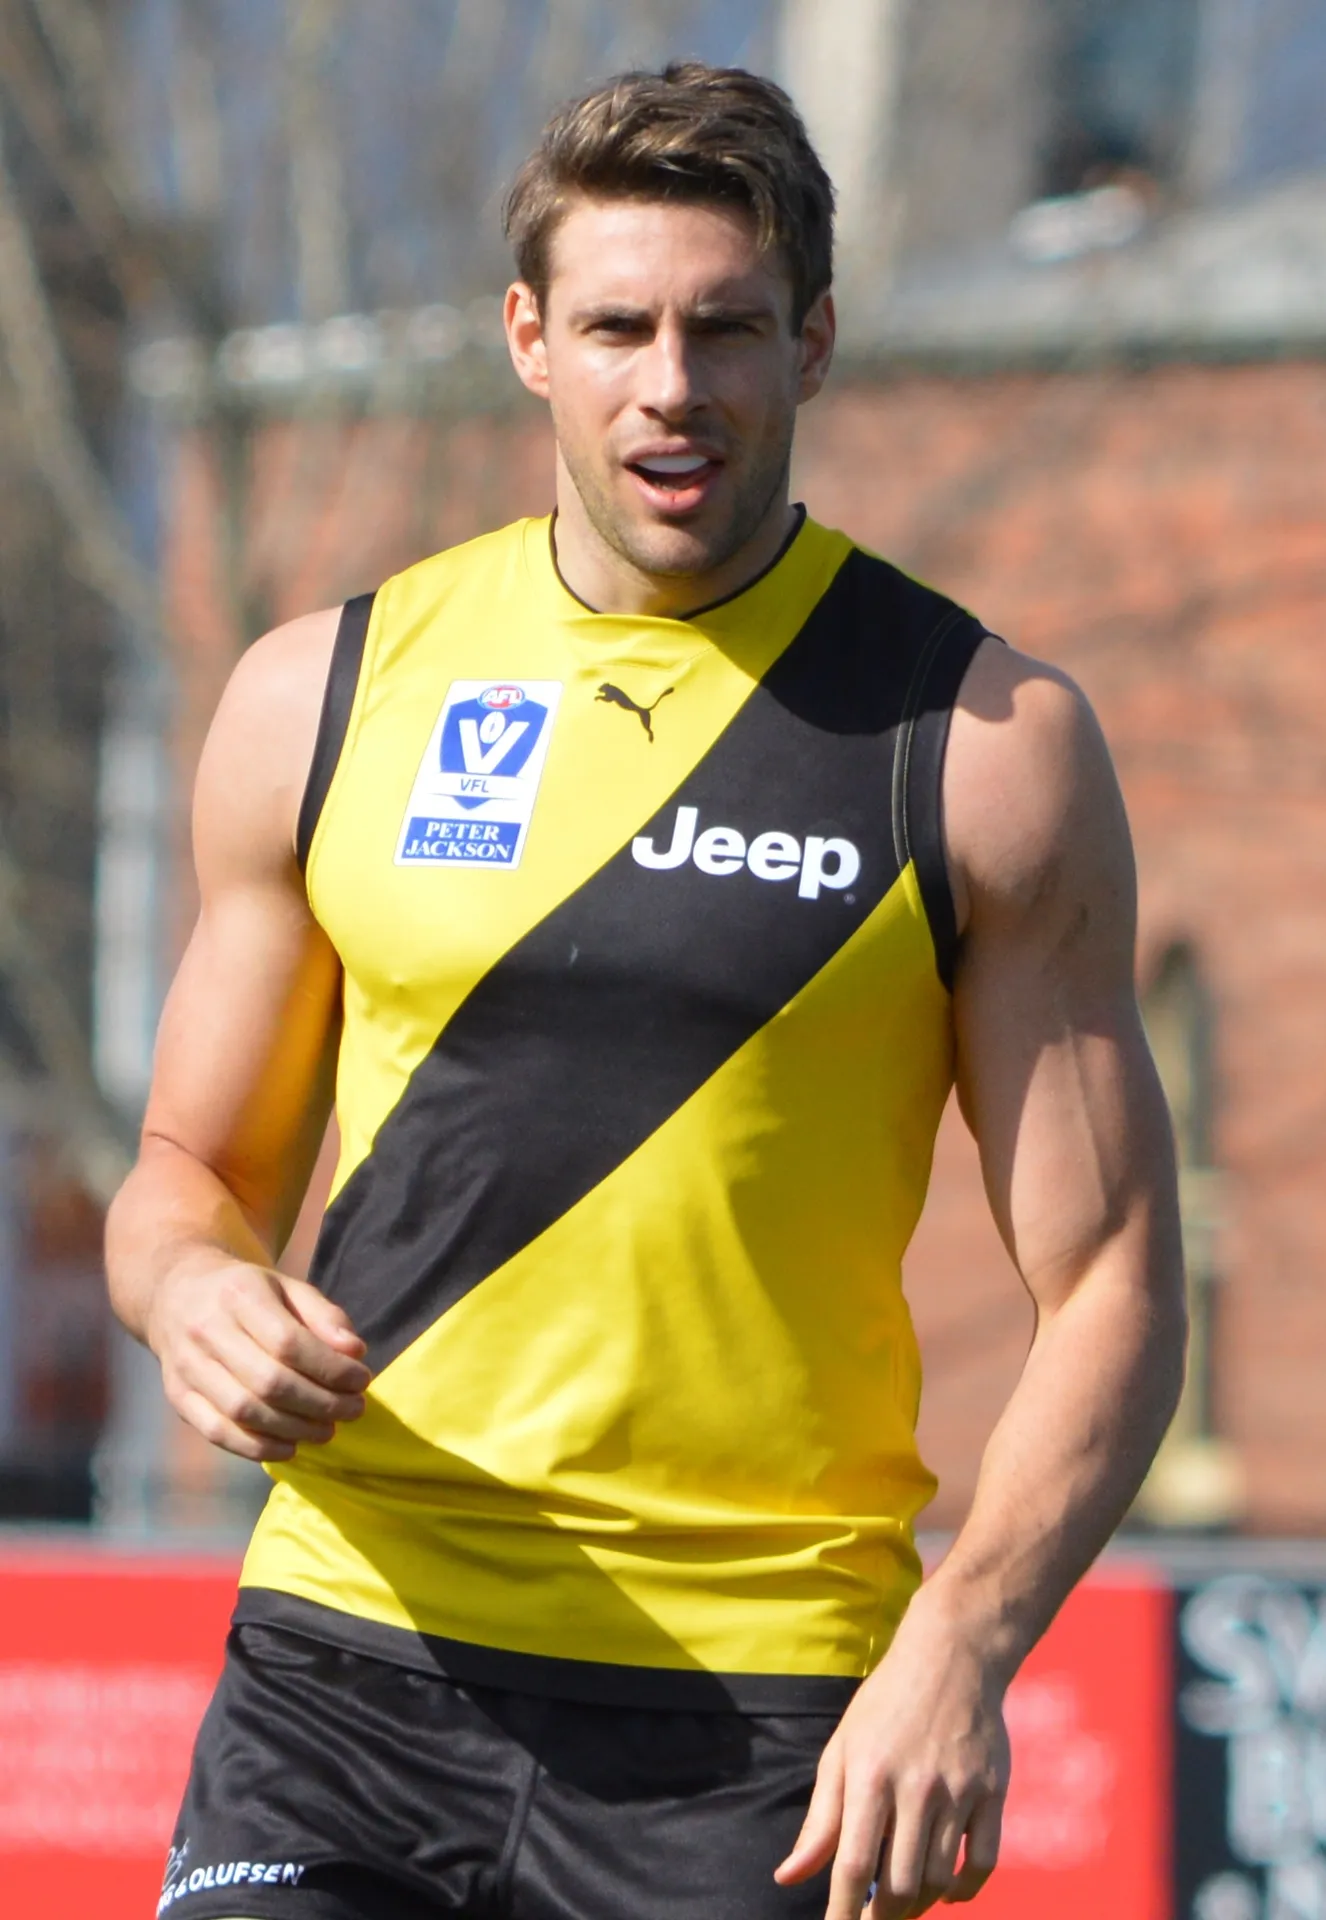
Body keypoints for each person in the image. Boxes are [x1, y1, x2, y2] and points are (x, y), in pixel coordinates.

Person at [107, 61, 1186, 1920]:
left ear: (811, 346)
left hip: (757, 1724)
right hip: (349, 1664)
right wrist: (190, 1288)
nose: (670, 385)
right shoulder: (320, 695)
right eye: (617, 327)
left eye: (726, 328)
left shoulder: (980, 744)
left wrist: (961, 1646)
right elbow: (183, 1175)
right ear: (530, 340)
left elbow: (1110, 1285)